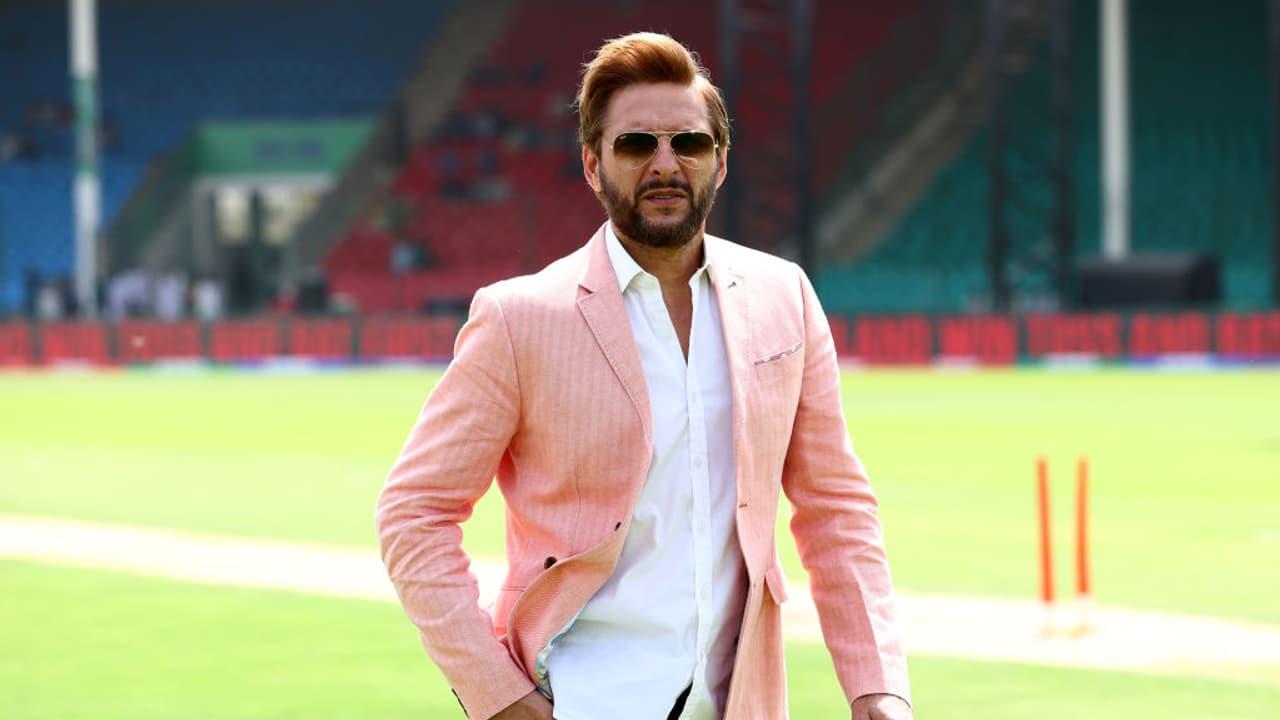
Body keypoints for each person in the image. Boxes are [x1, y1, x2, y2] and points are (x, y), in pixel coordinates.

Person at [376, 33, 913, 720]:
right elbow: (413, 513)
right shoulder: (518, 318)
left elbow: (837, 509)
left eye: (689, 143)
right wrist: (498, 695)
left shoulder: (785, 297)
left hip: (741, 701)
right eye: (635, 145)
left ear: (720, 162)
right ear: (593, 164)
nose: (665, 163)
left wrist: (876, 685)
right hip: (581, 700)